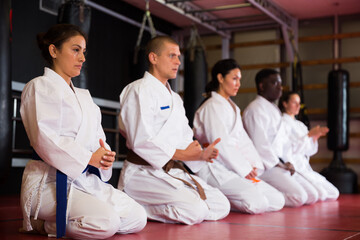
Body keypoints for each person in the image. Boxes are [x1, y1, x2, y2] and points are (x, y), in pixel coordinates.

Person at [19, 24, 146, 239]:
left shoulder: (84, 96)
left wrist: (103, 156)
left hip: (84, 180)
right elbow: (44, 139)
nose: (82, 58)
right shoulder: (39, 86)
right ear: (54, 51)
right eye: (75, 49)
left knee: (137, 217)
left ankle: (67, 222)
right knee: (107, 222)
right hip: (47, 183)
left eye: (84, 52)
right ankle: (42, 225)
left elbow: (99, 139)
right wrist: (88, 158)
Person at [118, 36, 230, 225]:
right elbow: (141, 141)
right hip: (142, 172)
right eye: (172, 56)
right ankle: (138, 205)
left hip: (169, 170)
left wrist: (200, 155)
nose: (178, 62)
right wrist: (184, 155)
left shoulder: (175, 99)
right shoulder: (138, 90)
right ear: (153, 58)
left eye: (178, 56)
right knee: (196, 210)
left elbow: (184, 137)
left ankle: (160, 206)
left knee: (221, 204)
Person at [193, 59, 285, 214]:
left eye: (239, 80)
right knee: (258, 203)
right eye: (234, 79)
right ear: (220, 78)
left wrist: (252, 165)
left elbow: (243, 141)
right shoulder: (212, 106)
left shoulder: (233, 108)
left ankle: (230, 195)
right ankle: (220, 198)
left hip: (234, 167)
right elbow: (221, 144)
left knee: (277, 199)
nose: (238, 84)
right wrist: (243, 168)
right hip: (214, 167)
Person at [242, 69, 319, 207]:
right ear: (261, 86)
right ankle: (260, 192)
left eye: (280, 83)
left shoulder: (274, 110)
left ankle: (271, 191)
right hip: (264, 166)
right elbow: (260, 145)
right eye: (274, 82)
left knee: (312, 195)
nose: (279, 87)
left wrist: (287, 162)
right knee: (299, 197)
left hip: (280, 164)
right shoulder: (255, 109)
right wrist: (279, 164)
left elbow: (283, 144)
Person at [278, 91, 339, 201]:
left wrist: (314, 137)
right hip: (294, 167)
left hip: (305, 167)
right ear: (285, 104)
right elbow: (287, 149)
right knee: (319, 194)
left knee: (334, 193)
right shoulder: (282, 123)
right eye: (294, 102)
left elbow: (309, 151)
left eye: (299, 103)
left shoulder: (300, 125)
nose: (298, 106)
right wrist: (309, 135)